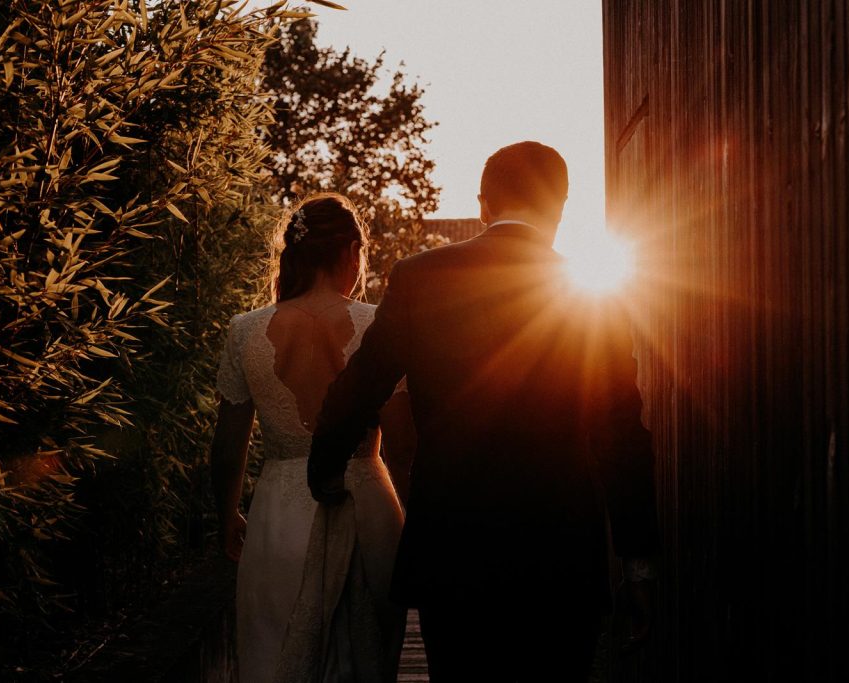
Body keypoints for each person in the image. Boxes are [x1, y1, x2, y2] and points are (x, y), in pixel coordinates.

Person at [308, 142, 660, 681]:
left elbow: (360, 386)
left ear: (483, 205)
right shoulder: (595, 295)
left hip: (454, 549)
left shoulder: (419, 278)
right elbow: (621, 433)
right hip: (561, 555)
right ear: (561, 206)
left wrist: (325, 468)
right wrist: (638, 560)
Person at [209, 193, 412, 683]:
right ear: (351, 252)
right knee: (368, 659)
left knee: (272, 654)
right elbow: (404, 444)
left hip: (278, 519)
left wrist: (228, 513)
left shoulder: (245, 331)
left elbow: (228, 442)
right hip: (369, 511)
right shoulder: (377, 327)